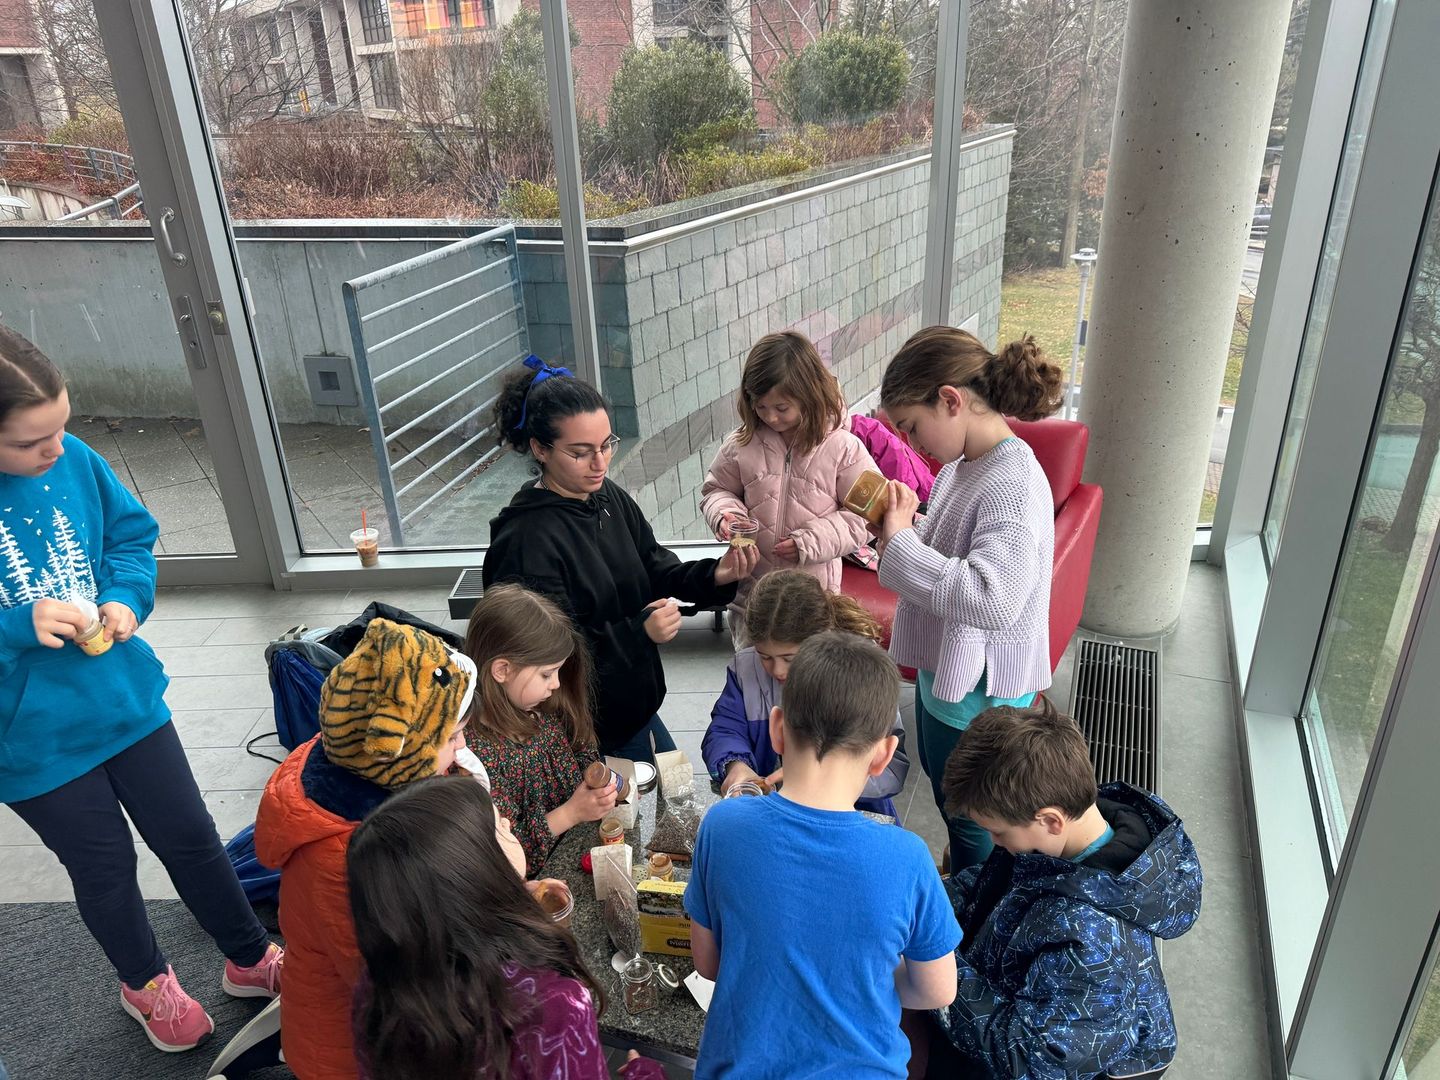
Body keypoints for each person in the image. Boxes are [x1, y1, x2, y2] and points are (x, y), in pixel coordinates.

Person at [0, 323, 282, 1054]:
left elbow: (130, 539)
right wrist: (16, 623)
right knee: (104, 865)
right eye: (32, 443)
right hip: (29, 738)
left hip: (123, 700)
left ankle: (251, 957)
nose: (56, 450)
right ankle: (145, 982)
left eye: (62, 427)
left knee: (190, 836)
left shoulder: (75, 458)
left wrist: (126, 597)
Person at [685, 632, 960, 1079]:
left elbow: (708, 964)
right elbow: (937, 990)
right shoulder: (906, 857)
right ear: (884, 755)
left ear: (777, 728)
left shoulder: (723, 826)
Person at [483, 356, 757, 762]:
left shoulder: (605, 496)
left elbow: (652, 564)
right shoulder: (525, 542)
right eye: (581, 452)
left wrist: (715, 574)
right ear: (540, 448)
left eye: (607, 445)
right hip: (582, 726)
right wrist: (638, 632)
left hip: (631, 706)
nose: (600, 463)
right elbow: (546, 654)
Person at [916, 698, 1202, 1079]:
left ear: (1050, 820)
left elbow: (1029, 1058)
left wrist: (933, 960)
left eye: (997, 831)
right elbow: (991, 886)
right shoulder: (1054, 841)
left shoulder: (1094, 946)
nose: (994, 841)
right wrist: (923, 900)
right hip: (1012, 996)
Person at [255, 619, 479, 1080]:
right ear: (400, 750)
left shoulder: (364, 766)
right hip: (356, 1051)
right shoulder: (346, 861)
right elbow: (393, 982)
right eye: (452, 737)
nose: (464, 748)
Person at [875, 326, 1063, 873]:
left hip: (981, 692)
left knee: (973, 814)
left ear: (951, 400)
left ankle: (979, 904)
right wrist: (907, 527)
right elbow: (960, 542)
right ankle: (964, 873)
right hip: (951, 676)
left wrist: (904, 545)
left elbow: (991, 596)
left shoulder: (1015, 482)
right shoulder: (963, 467)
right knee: (950, 797)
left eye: (912, 426)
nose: (911, 444)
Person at [348, 775, 667, 1080]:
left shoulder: (379, 990)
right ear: (479, 868)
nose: (508, 823)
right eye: (498, 826)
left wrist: (498, 898)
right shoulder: (556, 1006)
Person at [700, 331, 876, 640]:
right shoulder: (740, 442)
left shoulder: (845, 448)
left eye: (781, 408)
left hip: (813, 600)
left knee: (807, 680)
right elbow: (717, 490)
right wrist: (725, 514)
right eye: (760, 406)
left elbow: (867, 516)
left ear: (808, 395)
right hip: (751, 598)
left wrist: (810, 541)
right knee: (753, 674)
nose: (770, 417)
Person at [702, 569, 910, 817]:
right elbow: (725, 729)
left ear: (821, 638)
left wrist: (818, 780)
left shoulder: (862, 672)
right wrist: (736, 767)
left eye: (789, 658)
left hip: (851, 815)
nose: (777, 670)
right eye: (765, 656)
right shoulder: (744, 669)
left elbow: (892, 769)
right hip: (773, 813)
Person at [462, 582, 617, 876]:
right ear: (502, 670)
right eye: (547, 673)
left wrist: (594, 780)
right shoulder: (475, 757)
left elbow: (582, 748)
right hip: (540, 882)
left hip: (580, 849)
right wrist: (571, 812)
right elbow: (505, 852)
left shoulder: (543, 707)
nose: (557, 683)